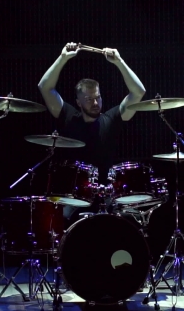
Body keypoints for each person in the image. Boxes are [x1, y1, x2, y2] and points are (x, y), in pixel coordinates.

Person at [37, 42, 147, 226]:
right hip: (73, 195)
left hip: (107, 195)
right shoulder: (69, 116)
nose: (95, 103)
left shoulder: (111, 119)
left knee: (127, 222)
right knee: (57, 222)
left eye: (98, 97)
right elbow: (45, 87)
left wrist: (119, 61)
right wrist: (63, 57)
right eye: (88, 99)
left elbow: (139, 92)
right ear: (78, 102)